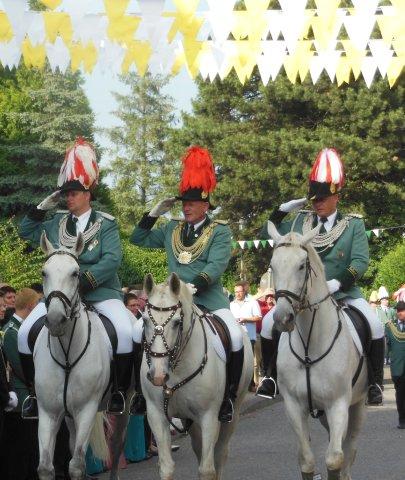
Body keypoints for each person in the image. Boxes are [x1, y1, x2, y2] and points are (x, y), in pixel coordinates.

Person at [18, 138, 133, 417]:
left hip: (100, 294)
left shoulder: (105, 223)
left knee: (128, 333)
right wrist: (41, 207)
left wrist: (84, 282)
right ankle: (35, 394)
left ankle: (118, 391)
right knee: (23, 334)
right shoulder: (56, 223)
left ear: (87, 194)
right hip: (60, 296)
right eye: (65, 194)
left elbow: (111, 260)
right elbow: (25, 231)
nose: (68, 198)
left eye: (73, 193)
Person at [260, 148, 385, 405]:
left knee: (375, 325)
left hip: (344, 293)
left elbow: (360, 261)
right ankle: (270, 377)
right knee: (267, 326)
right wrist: (281, 210)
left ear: (336, 197)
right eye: (314, 199)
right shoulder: (299, 223)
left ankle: (374, 383)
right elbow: (269, 233)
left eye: (323, 198)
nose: (318, 203)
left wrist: (338, 282)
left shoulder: (353, 225)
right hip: (303, 297)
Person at [130, 145, 244, 422]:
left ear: (206, 205)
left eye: (192, 203)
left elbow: (216, 266)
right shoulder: (172, 229)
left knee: (236, 337)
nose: (186, 207)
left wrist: (192, 287)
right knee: (136, 331)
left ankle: (228, 396)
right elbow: (137, 239)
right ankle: (140, 396)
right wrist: (152, 214)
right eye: (184, 203)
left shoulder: (220, 230)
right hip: (171, 302)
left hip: (209, 299)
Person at [0, 288, 40, 479]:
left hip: (30, 392)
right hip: (23, 394)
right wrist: (37, 386)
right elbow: (21, 367)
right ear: (31, 305)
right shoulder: (11, 331)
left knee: (32, 448)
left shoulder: (22, 329)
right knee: (24, 448)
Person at [385, 301, 405, 429]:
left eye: (402, 310)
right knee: (401, 395)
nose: (399, 313)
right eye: (398, 311)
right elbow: (388, 347)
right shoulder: (390, 327)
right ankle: (402, 419)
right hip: (398, 367)